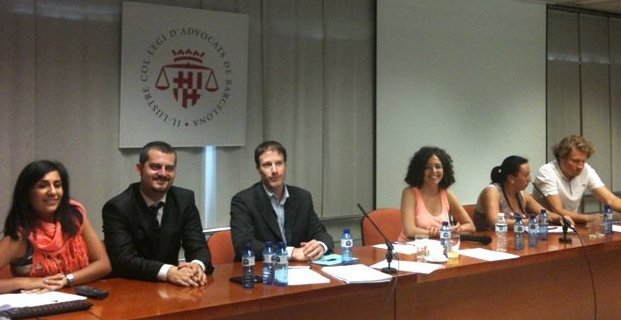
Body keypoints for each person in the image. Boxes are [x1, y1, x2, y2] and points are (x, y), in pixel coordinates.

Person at [102, 141, 213, 287]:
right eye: (155, 167)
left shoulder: (184, 200)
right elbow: (123, 260)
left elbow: (198, 245)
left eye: (169, 168)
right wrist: (168, 272)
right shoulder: (118, 207)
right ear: (140, 169)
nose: (163, 173)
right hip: (131, 288)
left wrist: (196, 266)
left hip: (174, 287)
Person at [0, 160, 111, 293]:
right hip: (36, 308)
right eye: (42, 186)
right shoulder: (20, 235)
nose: (53, 192)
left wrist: (67, 280)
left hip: (76, 300)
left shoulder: (75, 217)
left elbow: (103, 264)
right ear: (27, 193)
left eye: (57, 185)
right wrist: (24, 282)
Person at [230, 141, 334, 261]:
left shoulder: (302, 197)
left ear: (285, 166)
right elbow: (244, 245)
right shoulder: (243, 201)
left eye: (279, 163)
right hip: (262, 272)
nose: (274, 170)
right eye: (267, 165)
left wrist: (320, 246)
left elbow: (321, 233)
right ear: (258, 169)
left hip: (300, 271)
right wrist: (290, 253)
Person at [533, 135, 621, 224]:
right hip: (546, 227)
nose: (580, 166)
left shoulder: (586, 170)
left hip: (572, 225)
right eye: (575, 161)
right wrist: (590, 218)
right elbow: (558, 211)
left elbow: (611, 200)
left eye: (583, 161)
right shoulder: (546, 172)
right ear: (561, 157)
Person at [398, 146, 475, 240]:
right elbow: (409, 231)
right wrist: (440, 233)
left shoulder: (447, 194)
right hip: (410, 248)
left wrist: (456, 230)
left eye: (438, 166)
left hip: (438, 248)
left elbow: (470, 226)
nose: (434, 171)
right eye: (427, 167)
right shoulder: (409, 193)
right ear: (419, 170)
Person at [473, 156, 568, 231]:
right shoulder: (492, 191)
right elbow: (494, 222)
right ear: (511, 178)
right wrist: (530, 221)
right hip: (489, 243)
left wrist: (561, 218)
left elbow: (545, 214)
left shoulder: (522, 195)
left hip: (515, 239)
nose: (530, 179)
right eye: (526, 175)